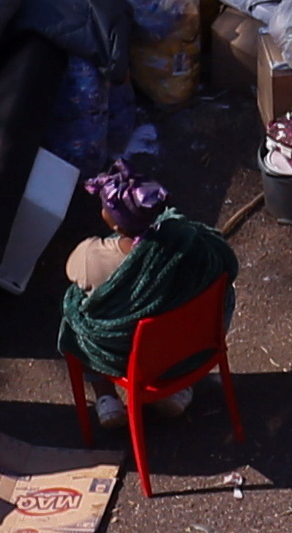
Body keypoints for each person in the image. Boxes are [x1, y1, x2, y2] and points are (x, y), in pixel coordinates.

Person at [57, 166, 241, 407]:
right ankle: (176, 389)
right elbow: (225, 266)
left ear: (114, 224)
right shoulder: (193, 244)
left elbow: (73, 279)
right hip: (191, 346)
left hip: (128, 358)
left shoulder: (90, 257)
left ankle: (106, 399)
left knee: (75, 322)